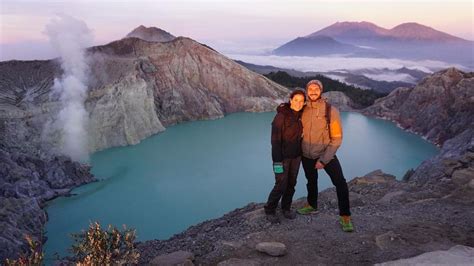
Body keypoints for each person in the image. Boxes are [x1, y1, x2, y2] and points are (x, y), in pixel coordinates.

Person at [297, 79, 354, 232]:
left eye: (316, 88)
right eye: (311, 88)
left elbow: (336, 138)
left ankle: (345, 216)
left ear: (321, 91)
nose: (313, 91)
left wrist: (323, 160)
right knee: (311, 181)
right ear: (307, 91)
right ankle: (312, 205)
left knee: (340, 183)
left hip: (325, 154)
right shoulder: (302, 109)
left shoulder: (330, 110)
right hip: (306, 154)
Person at [264, 89, 306, 224]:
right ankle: (270, 209)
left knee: (291, 183)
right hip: (281, 159)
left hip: (296, 157)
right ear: (291, 100)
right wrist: (277, 162)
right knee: (280, 184)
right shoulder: (281, 116)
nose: (299, 103)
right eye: (296, 100)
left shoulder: (300, 115)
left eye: (301, 101)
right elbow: (275, 141)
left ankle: (286, 208)